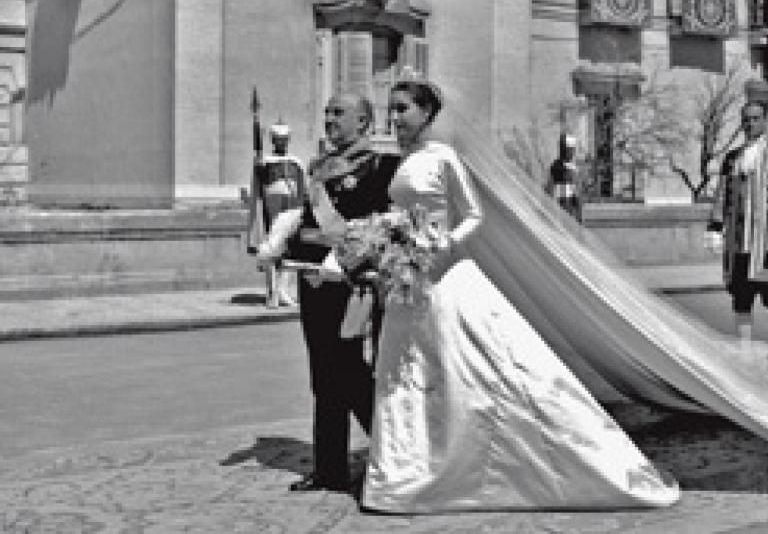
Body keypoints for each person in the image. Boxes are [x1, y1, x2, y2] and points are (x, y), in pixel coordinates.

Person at [360, 78, 679, 513]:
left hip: (445, 274)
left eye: (402, 109)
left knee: (475, 371)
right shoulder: (405, 161)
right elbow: (398, 215)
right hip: (409, 283)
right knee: (408, 376)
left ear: (426, 113)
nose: (394, 118)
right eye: (391, 110)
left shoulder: (444, 157)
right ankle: (407, 471)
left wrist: (443, 243)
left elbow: (473, 215)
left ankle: (485, 463)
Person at [283, 93, 400, 492]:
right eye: (327, 112)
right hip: (313, 280)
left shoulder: (382, 167)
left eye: (339, 113)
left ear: (365, 123)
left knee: (350, 372)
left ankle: (392, 453)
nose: (329, 119)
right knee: (322, 376)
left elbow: (377, 226)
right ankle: (329, 468)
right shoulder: (319, 168)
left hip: (348, 282)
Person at [704, 103, 768, 374]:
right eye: (746, 120)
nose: (750, 124)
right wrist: (715, 228)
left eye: (755, 119)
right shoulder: (732, 158)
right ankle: (746, 356)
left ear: (765, 120)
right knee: (741, 298)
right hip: (739, 242)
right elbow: (721, 197)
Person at [250, 123, 305, 307]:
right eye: (278, 140)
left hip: (291, 209)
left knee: (289, 249)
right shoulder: (266, 162)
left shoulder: (296, 162)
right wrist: (258, 164)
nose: (281, 143)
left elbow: (301, 187)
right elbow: (260, 181)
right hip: (272, 210)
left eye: (284, 140)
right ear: (273, 141)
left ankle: (284, 291)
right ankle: (272, 291)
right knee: (272, 249)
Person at [545, 133, 583, 220]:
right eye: (570, 149)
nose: (572, 152)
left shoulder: (569, 166)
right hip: (562, 207)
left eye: (573, 149)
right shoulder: (559, 166)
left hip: (566, 207)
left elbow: (576, 192)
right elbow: (550, 188)